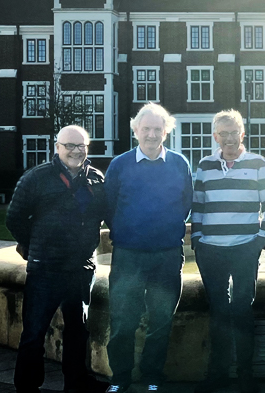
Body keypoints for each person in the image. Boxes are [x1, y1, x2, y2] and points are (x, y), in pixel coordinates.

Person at [6, 125, 108, 393]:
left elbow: (107, 216)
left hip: (81, 268)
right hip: (45, 269)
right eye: (70, 146)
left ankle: (77, 383)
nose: (76, 151)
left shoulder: (96, 179)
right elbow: (14, 218)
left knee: (78, 331)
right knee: (33, 333)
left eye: (81, 146)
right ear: (57, 147)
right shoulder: (36, 178)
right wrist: (34, 245)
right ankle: (27, 386)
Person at [104, 103, 193, 393]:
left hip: (167, 255)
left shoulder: (179, 164)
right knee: (122, 322)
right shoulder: (119, 165)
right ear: (135, 131)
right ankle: (120, 379)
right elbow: (108, 206)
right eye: (146, 129)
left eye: (158, 129)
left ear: (166, 132)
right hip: (128, 256)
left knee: (161, 322)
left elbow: (186, 205)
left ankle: (153, 377)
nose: (152, 134)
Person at [192, 110, 265, 393]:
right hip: (211, 250)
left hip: (244, 248)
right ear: (216, 136)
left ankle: (244, 375)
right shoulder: (204, 165)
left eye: (234, 132)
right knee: (217, 313)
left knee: (242, 311)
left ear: (242, 134)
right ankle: (216, 374)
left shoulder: (257, 163)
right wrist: (199, 241)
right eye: (223, 133)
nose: (229, 138)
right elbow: (199, 206)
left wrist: (259, 242)